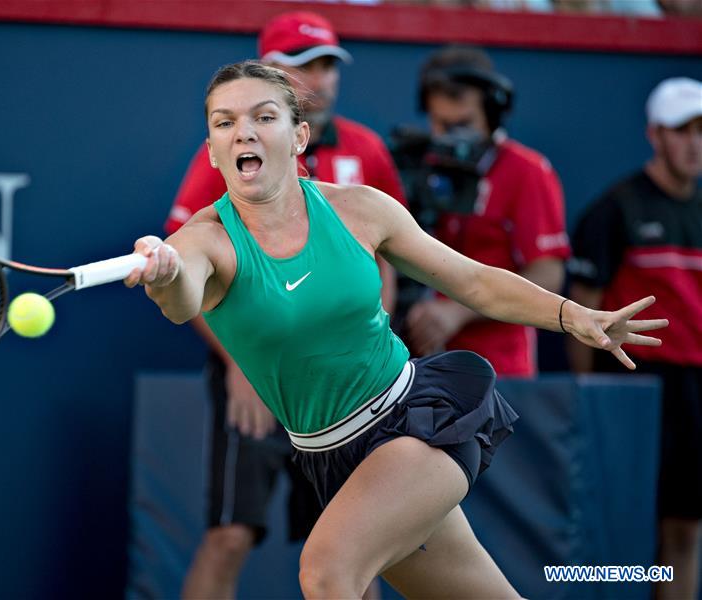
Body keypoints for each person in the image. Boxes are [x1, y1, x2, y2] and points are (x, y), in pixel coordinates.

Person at [127, 60, 667, 598]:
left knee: (325, 570)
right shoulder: (205, 239)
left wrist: (576, 316)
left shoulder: (361, 208)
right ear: (213, 150)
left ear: (299, 137)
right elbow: (181, 302)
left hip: (418, 422)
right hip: (327, 454)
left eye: (263, 117)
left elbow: (473, 282)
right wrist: (167, 271)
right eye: (224, 123)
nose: (242, 130)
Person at [165, 11, 405, 599]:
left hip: (348, 387)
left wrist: (369, 347)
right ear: (270, 72)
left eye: (327, 65)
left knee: (358, 551)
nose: (318, 80)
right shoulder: (226, 154)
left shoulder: (367, 150)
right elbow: (192, 264)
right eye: (302, 66)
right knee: (229, 535)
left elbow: (387, 257)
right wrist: (239, 366)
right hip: (256, 373)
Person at [568, 77, 702, 600]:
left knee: (686, 528)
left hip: (694, 393)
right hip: (633, 392)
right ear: (654, 135)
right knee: (620, 531)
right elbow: (584, 311)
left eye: (701, 130)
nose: (693, 143)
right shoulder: (614, 210)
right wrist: (590, 398)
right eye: (681, 130)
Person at [395, 46, 570, 377]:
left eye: (463, 124)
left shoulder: (527, 170)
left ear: (491, 113)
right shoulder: (417, 165)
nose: (451, 138)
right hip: (415, 365)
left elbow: (548, 275)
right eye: (441, 125)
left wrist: (456, 312)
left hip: (498, 370)